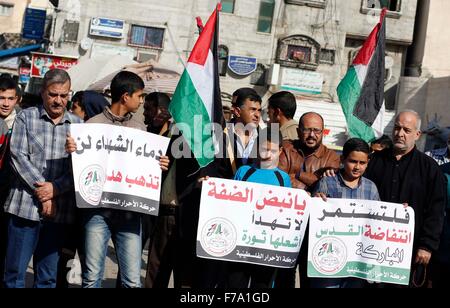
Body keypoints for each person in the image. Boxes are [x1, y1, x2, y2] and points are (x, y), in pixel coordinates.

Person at [66, 71, 169, 288]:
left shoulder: (141, 130)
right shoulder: (92, 126)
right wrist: (73, 152)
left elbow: (146, 171)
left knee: (132, 281)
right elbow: (79, 170)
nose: (141, 101)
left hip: (130, 214)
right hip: (96, 212)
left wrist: (160, 165)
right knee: (92, 277)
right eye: (139, 96)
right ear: (125, 96)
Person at [3, 69, 82, 288]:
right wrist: (46, 194)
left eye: (64, 95)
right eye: (53, 94)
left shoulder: (79, 126)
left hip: (59, 213)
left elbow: (82, 168)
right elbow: (18, 156)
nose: (58, 100)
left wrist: (56, 189)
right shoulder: (25, 117)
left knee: (47, 278)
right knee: (14, 275)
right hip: (24, 209)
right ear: (43, 93)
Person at [364, 110, 446, 287]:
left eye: (406, 130)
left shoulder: (430, 169)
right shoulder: (374, 162)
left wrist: (426, 246)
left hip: (408, 254)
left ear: (417, 134)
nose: (400, 134)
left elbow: (436, 210)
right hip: (371, 247)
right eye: (397, 128)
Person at [278, 111, 340, 288]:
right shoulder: (286, 149)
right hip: (286, 226)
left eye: (316, 130)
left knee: (309, 279)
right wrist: (311, 182)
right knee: (283, 276)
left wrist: (296, 174)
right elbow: (279, 178)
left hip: (315, 229)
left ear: (323, 132)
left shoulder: (332, 157)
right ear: (298, 131)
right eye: (307, 130)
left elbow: (328, 185)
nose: (312, 135)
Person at [225, 127, 291, 288]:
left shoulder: (283, 178)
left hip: (267, 248)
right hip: (240, 244)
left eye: (272, 150)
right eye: (263, 148)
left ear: (280, 150)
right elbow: (229, 201)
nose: (267, 154)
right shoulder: (243, 172)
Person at [312, 138, 380, 288]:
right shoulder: (327, 182)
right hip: (328, 261)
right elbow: (315, 219)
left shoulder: (371, 188)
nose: (357, 167)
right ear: (342, 159)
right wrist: (316, 203)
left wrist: (399, 212)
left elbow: (378, 222)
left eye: (362, 163)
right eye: (353, 161)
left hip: (356, 263)